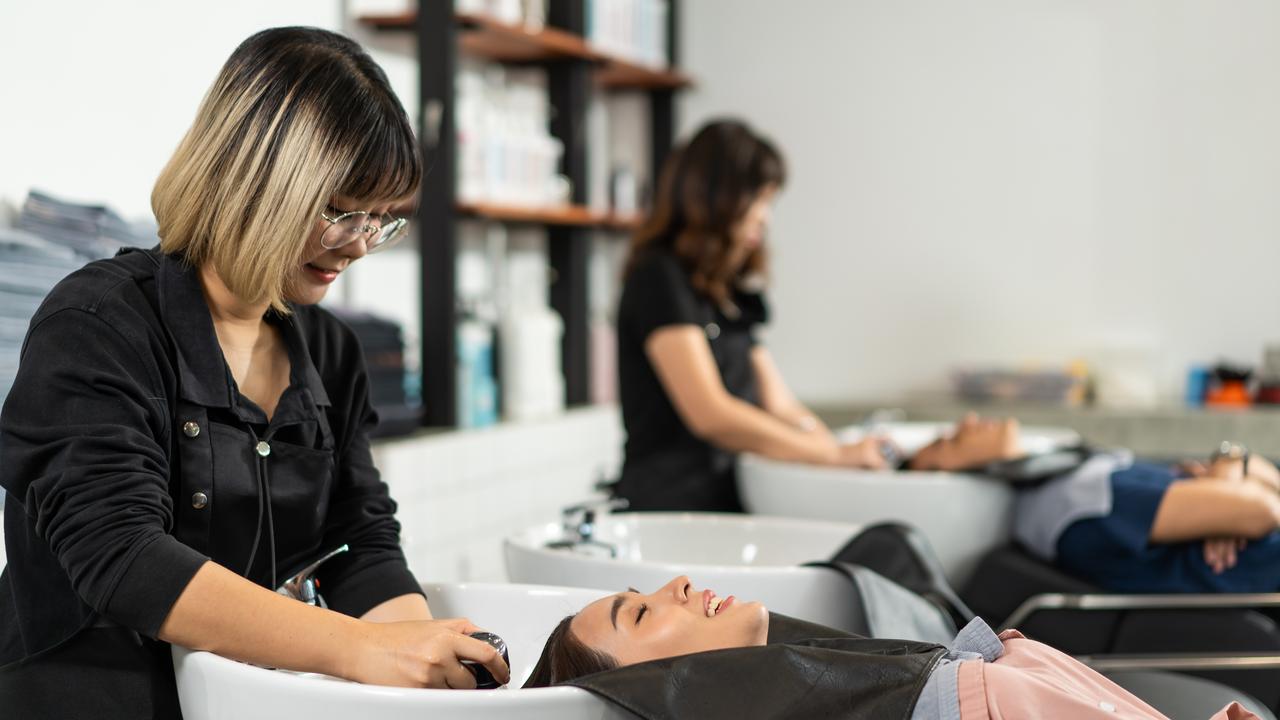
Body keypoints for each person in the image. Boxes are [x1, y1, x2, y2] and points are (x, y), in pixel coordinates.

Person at [0, 27, 508, 718]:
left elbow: (356, 540)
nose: (360, 246)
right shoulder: (97, 324)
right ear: (254, 181)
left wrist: (432, 671)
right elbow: (122, 557)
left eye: (382, 220)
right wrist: (361, 649)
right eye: (339, 211)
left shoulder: (330, 349)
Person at [614, 119, 891, 513]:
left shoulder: (727, 292)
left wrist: (836, 447)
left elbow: (781, 405)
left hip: (731, 496)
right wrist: (828, 456)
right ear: (715, 197)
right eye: (757, 201)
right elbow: (711, 413)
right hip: (672, 504)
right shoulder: (659, 279)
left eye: (769, 203)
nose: (765, 219)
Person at [528, 575, 1260, 720]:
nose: (678, 582)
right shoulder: (972, 701)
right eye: (641, 613)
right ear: (658, 688)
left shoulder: (943, 687)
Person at [894, 414, 1280, 593]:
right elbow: (1264, 510)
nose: (967, 421)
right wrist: (1232, 472)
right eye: (945, 442)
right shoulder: (1073, 499)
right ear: (943, 476)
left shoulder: (1068, 473)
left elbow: (1260, 487)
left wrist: (1229, 472)